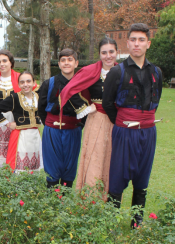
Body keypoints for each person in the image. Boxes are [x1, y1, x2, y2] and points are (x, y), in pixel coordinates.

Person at [102, 23, 163, 228]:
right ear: (127, 43)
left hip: (148, 132)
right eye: (133, 40)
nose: (137, 44)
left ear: (148, 43)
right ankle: (110, 223)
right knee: (117, 176)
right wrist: (122, 122)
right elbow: (107, 104)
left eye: (141, 40)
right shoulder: (116, 72)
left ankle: (136, 223)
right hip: (124, 132)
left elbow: (157, 99)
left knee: (142, 177)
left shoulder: (157, 72)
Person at [58, 37, 119, 199]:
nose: (108, 56)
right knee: (95, 158)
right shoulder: (90, 71)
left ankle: (109, 199)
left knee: (112, 159)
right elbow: (70, 89)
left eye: (111, 52)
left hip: (117, 123)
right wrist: (85, 108)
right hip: (97, 119)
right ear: (99, 54)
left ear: (117, 53)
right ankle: (91, 199)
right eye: (104, 52)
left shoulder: (123, 71)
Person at [38, 49, 88, 188]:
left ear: (76, 63)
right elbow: (41, 108)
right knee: (52, 169)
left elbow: (87, 109)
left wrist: (78, 125)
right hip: (52, 131)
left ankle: (65, 205)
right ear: (59, 64)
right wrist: (49, 125)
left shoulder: (82, 85)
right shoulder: (49, 84)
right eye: (63, 60)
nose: (67, 63)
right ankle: (52, 206)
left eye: (70, 60)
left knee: (69, 169)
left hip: (73, 131)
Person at [0, 71, 43, 172]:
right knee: (20, 166)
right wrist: (8, 124)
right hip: (20, 136)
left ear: (33, 82)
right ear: (18, 84)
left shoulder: (38, 97)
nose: (25, 84)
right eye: (22, 82)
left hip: (35, 135)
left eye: (28, 81)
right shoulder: (14, 98)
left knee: (34, 164)